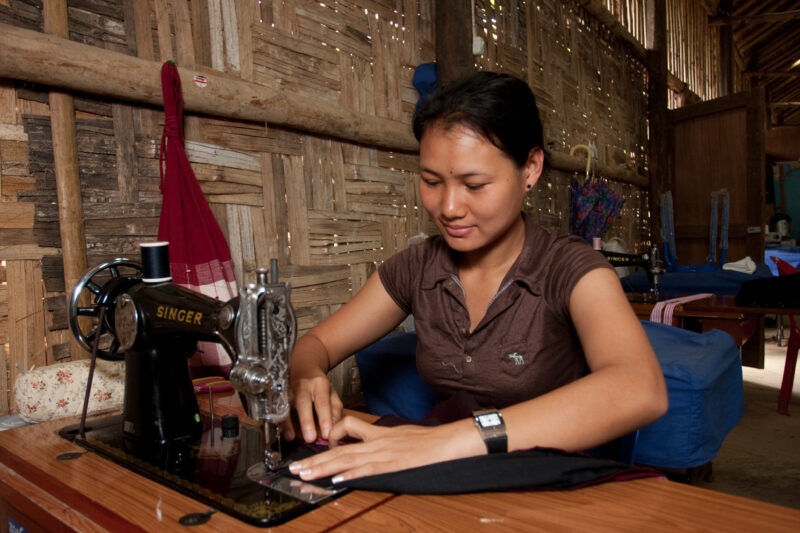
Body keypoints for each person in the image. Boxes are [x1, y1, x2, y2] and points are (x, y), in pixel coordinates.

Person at [284, 71, 668, 485]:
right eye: (432, 181)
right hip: (454, 471)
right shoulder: (418, 268)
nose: (448, 207)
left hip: (551, 483)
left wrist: (450, 439)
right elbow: (317, 344)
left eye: (475, 184)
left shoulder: (569, 269)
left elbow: (640, 388)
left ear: (531, 168)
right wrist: (306, 376)